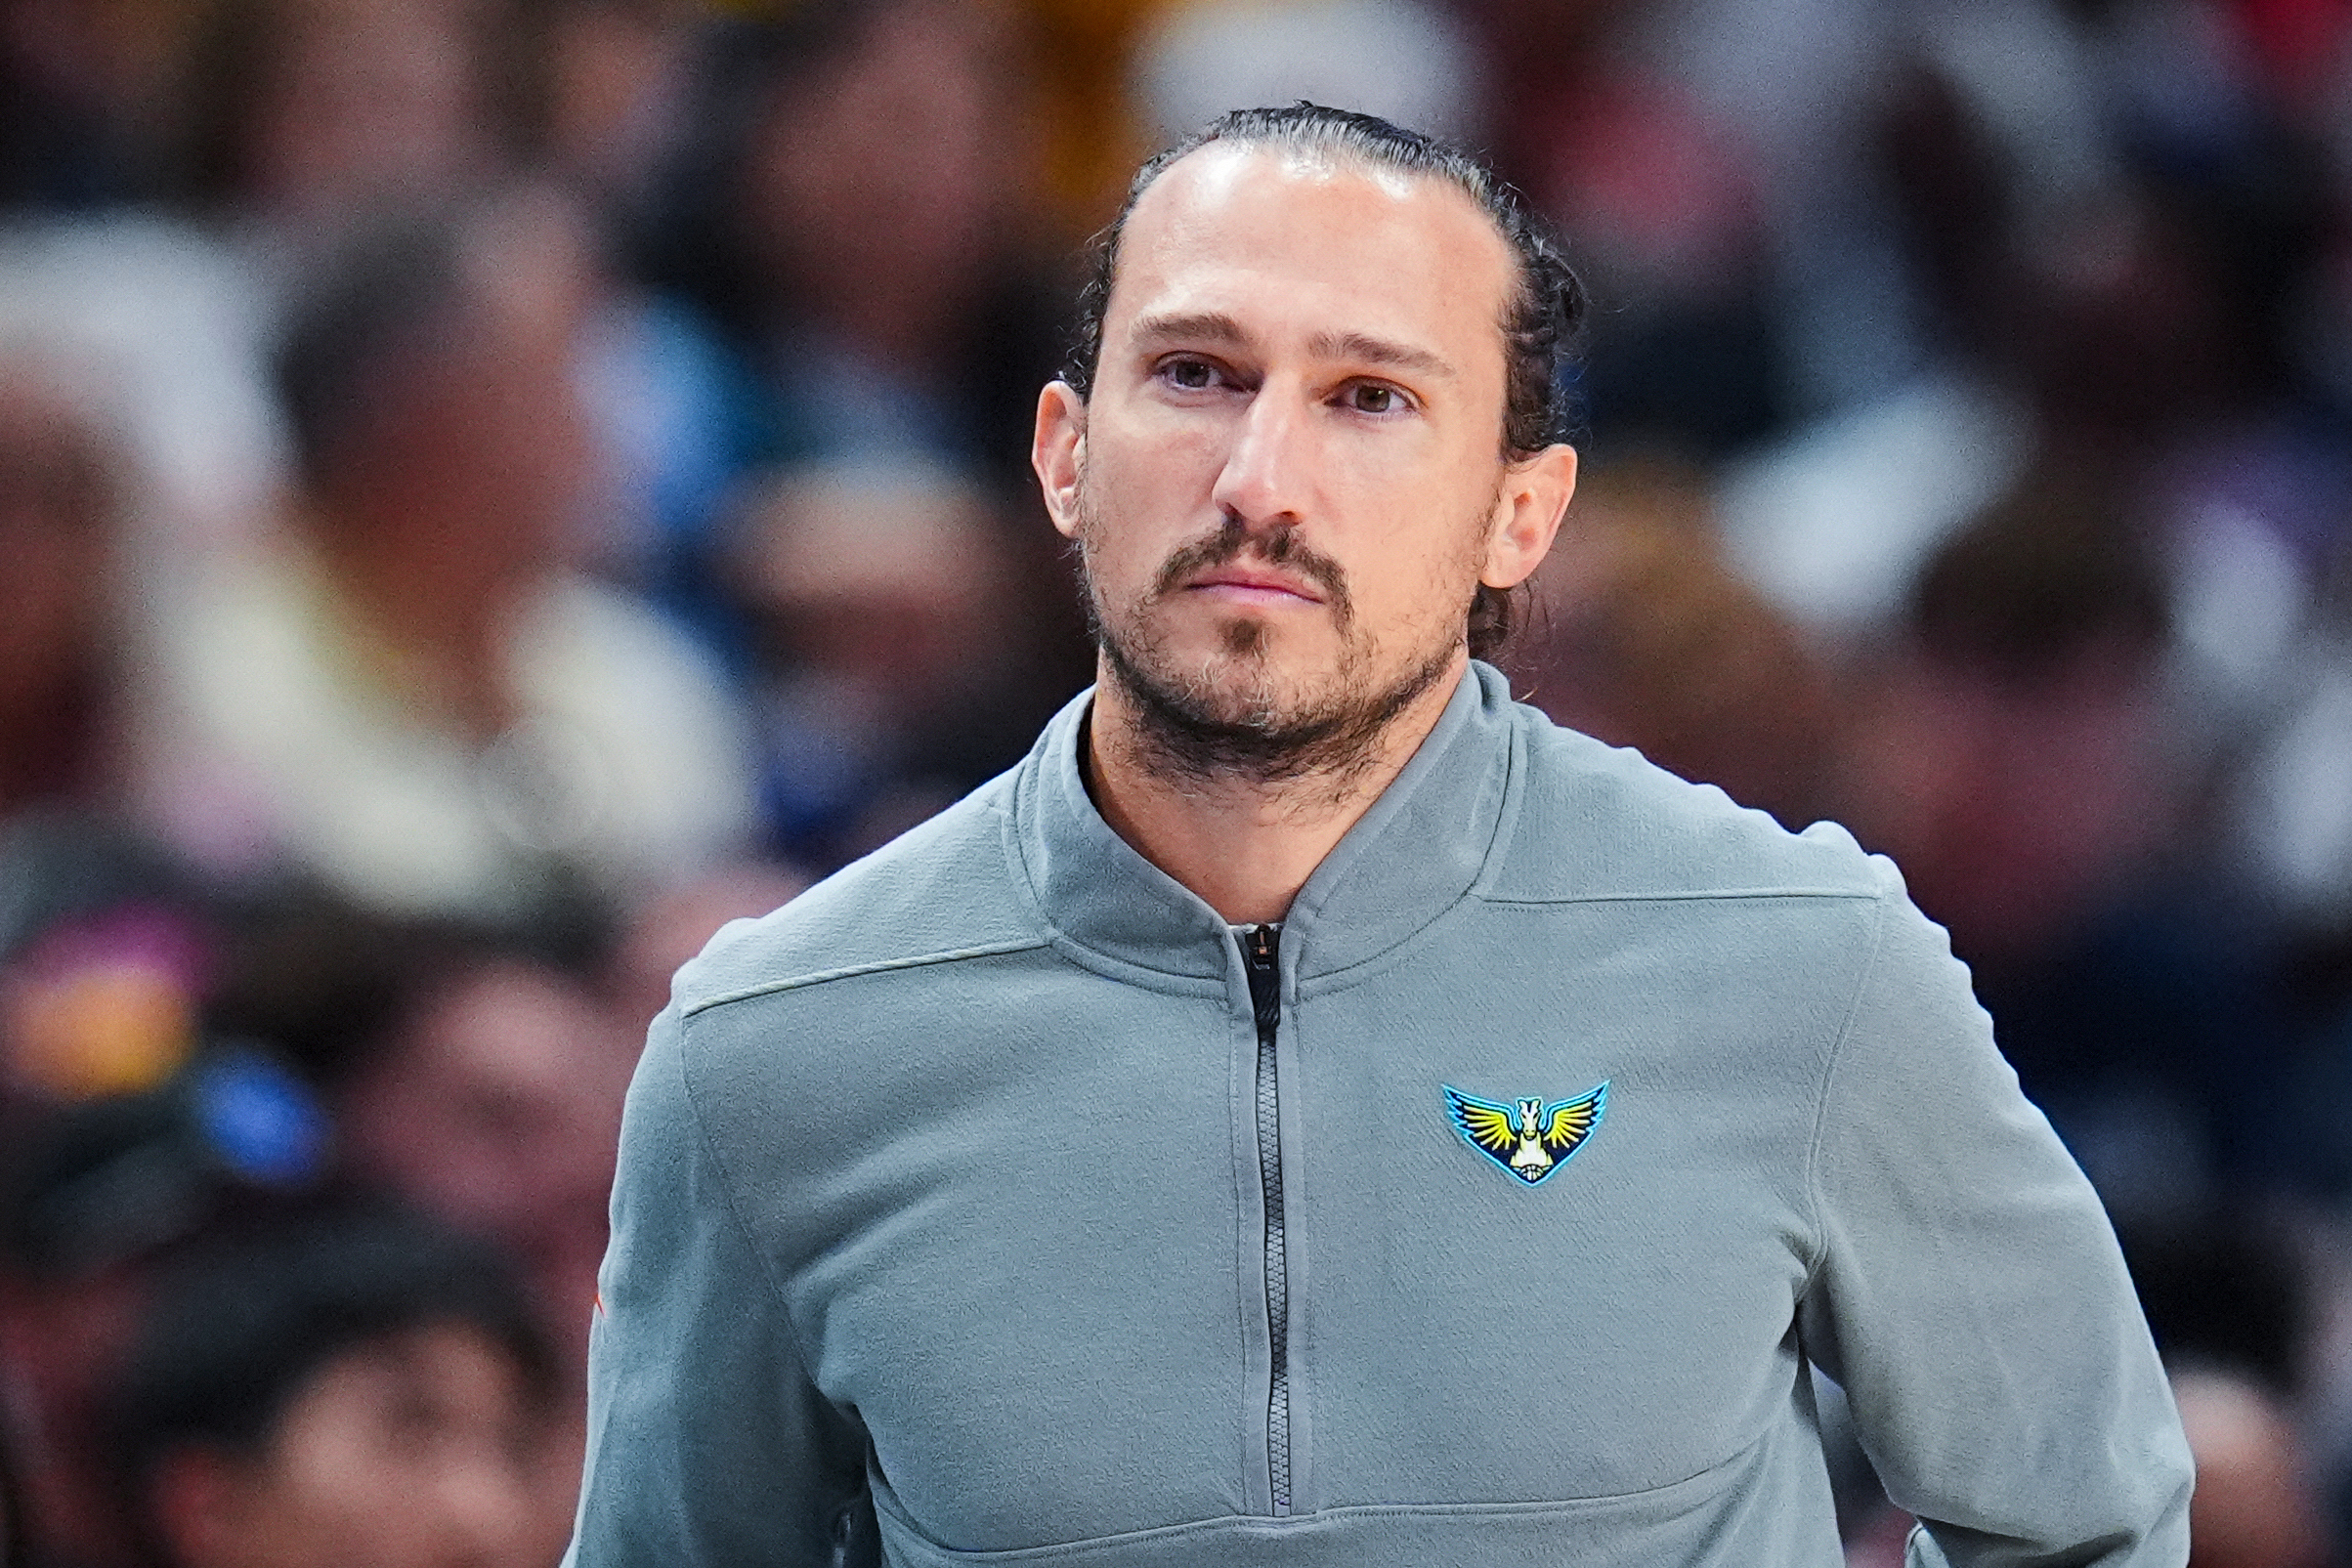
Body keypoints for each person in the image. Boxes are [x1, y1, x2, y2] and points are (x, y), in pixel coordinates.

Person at [569, 105, 2193, 1565]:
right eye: (1196, 374)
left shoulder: (1809, 960)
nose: (1261, 476)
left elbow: (2089, 1518)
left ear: (1519, 513)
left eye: (1369, 396)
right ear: (1067, 455)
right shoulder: (770, 1049)